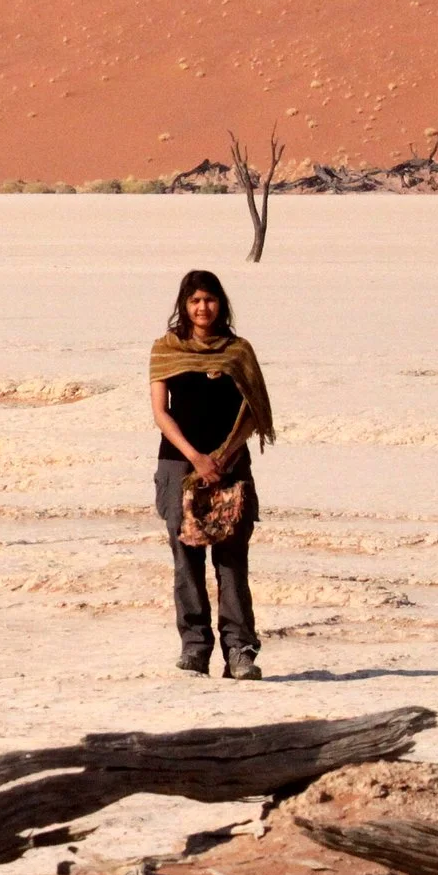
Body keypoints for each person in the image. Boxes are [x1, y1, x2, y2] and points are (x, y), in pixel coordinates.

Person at [149, 269, 275, 681]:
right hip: (179, 466)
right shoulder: (166, 349)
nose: (203, 308)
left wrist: (223, 457)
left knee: (231, 562)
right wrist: (197, 459)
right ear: (184, 306)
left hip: (231, 467)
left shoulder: (238, 351)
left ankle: (240, 651)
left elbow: (255, 411)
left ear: (221, 304)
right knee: (186, 561)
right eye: (195, 301)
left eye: (210, 299)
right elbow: (161, 413)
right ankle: (195, 648)